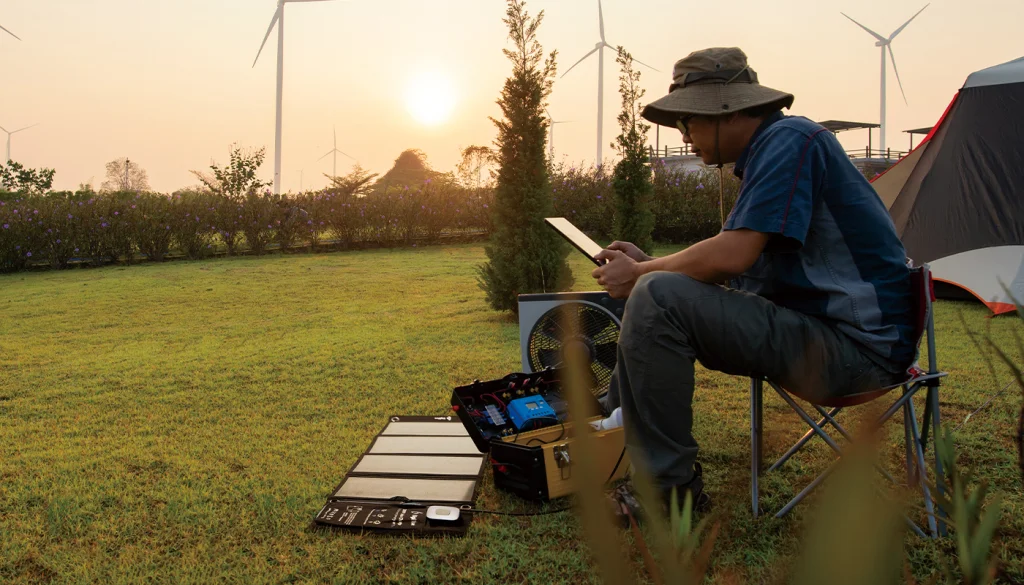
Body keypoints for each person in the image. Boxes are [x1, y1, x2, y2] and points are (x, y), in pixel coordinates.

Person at [592, 47, 915, 514]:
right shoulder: (776, 148)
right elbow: (743, 265)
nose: (684, 137)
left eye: (689, 121)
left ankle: (665, 493)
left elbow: (732, 255)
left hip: (854, 352)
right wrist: (652, 264)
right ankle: (611, 422)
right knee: (657, 291)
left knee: (657, 294)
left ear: (728, 110)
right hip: (828, 337)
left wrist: (643, 272)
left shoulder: (790, 141)